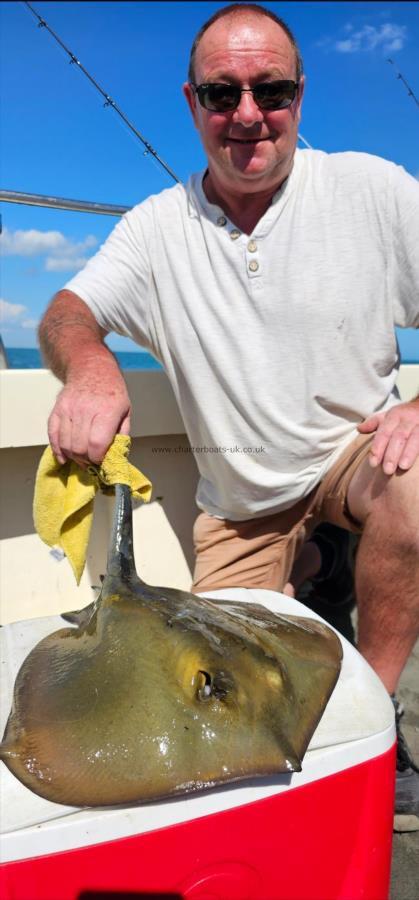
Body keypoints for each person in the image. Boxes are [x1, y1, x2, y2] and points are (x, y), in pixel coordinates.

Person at [39, 3, 419, 816]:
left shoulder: (371, 189)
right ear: (191, 102)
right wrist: (92, 364)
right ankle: (317, 567)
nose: (248, 114)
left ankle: (375, 719)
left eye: (270, 89)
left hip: (353, 455)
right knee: (214, 684)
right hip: (239, 503)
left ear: (300, 96)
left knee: (416, 492)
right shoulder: (153, 229)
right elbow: (66, 311)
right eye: (222, 94)